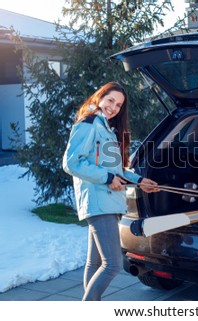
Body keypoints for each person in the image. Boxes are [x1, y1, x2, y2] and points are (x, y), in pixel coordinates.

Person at [62, 82, 159, 301]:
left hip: (109, 201)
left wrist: (141, 180)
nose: (113, 107)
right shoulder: (88, 124)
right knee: (113, 264)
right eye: (110, 100)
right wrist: (107, 179)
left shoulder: (107, 128)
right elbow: (71, 163)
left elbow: (117, 170)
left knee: (95, 263)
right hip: (98, 200)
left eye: (119, 104)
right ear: (99, 97)